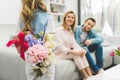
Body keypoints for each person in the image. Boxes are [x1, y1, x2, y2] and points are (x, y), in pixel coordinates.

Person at [18, 0, 55, 80]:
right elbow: (49, 42)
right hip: (46, 59)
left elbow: (20, 41)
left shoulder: (22, 18)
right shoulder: (48, 17)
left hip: (30, 59)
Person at [54, 11, 92, 80]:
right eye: (69, 17)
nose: (70, 19)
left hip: (67, 52)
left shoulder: (70, 30)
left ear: (74, 20)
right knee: (76, 54)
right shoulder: (58, 30)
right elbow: (60, 47)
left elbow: (74, 44)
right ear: (65, 18)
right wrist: (74, 52)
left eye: (72, 18)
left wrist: (82, 50)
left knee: (80, 52)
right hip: (58, 54)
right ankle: (85, 76)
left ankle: (90, 75)